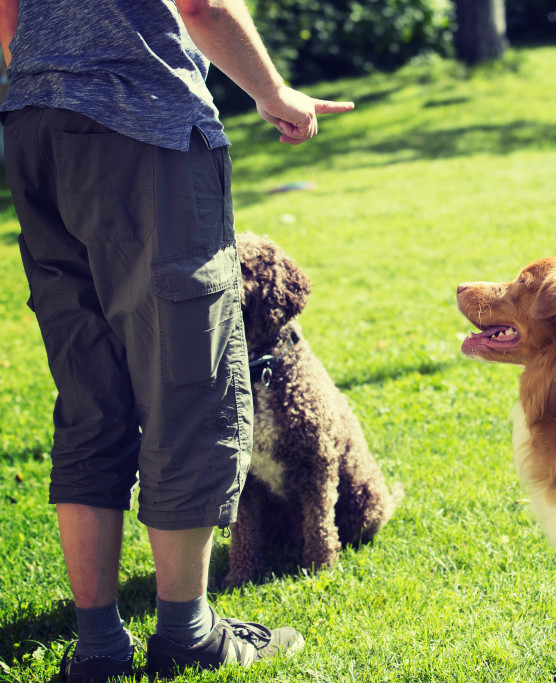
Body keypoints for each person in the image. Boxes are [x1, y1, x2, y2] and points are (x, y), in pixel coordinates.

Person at [0, 1, 354, 681]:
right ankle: (189, 634)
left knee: (89, 391)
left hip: (36, 125)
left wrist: (55, 78)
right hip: (142, 130)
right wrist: (274, 92)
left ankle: (99, 645)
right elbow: (203, 5)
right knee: (191, 382)